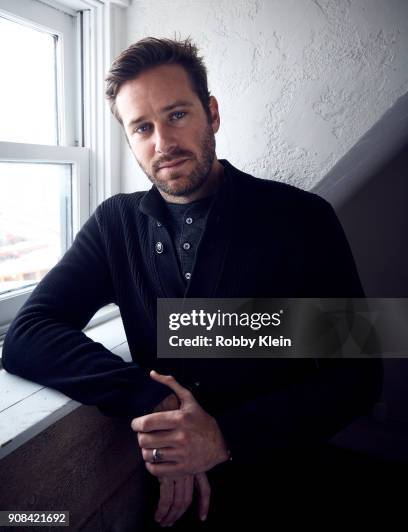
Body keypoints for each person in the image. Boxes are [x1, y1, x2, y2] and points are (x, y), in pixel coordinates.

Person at [2, 37, 383, 529]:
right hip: (169, 501)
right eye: (142, 127)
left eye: (177, 115)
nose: (162, 142)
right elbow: (28, 335)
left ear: (212, 113)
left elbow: (357, 377)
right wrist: (151, 399)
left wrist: (220, 438)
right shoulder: (114, 224)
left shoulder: (302, 218)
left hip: (283, 485)